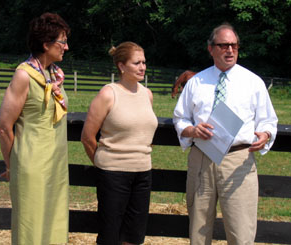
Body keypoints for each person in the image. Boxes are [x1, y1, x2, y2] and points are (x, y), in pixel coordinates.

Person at [173, 23, 278, 244]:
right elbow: (180, 117)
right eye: (223, 45)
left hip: (238, 160)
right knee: (199, 231)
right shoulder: (196, 83)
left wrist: (266, 135)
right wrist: (191, 129)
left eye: (234, 45)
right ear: (211, 49)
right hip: (201, 158)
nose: (230, 50)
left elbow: (268, 120)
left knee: (241, 232)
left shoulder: (253, 82)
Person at [0, 12, 70, 244]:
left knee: (54, 225)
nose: (66, 47)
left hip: (56, 165)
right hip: (31, 166)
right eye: (62, 41)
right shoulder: (24, 76)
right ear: (46, 44)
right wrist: (12, 166)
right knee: (31, 228)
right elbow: (4, 127)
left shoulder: (54, 75)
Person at [81, 41, 158, 245]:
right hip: (112, 173)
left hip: (143, 173)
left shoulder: (147, 94)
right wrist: (103, 164)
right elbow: (88, 136)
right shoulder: (108, 94)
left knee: (135, 235)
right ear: (122, 66)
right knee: (110, 235)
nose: (142, 67)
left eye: (144, 62)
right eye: (136, 63)